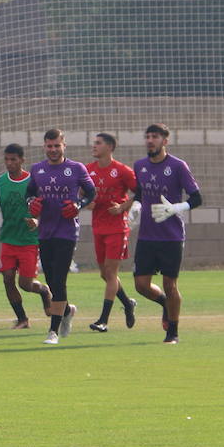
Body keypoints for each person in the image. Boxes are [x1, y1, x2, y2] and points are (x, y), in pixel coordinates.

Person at [132, 123, 203, 344]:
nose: (150, 140)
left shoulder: (178, 166)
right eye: (147, 137)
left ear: (165, 140)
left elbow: (196, 198)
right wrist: (134, 207)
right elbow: (139, 192)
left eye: (155, 137)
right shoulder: (139, 166)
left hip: (171, 236)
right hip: (146, 235)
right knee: (140, 285)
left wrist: (176, 208)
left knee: (170, 284)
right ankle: (164, 303)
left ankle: (173, 332)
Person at [24, 129, 96, 345]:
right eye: (49, 146)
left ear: (64, 146)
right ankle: (67, 311)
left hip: (67, 231)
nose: (53, 150)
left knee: (59, 279)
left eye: (57, 146)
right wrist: (30, 203)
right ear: (44, 147)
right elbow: (29, 194)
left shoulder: (76, 169)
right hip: (45, 231)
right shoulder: (37, 169)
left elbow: (91, 193)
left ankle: (53, 331)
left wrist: (78, 205)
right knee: (50, 279)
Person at [0, 143, 53, 330]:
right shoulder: (0, 181)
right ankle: (22, 319)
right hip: (8, 239)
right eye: (7, 159)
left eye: (13, 159)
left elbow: (45, 210)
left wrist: (37, 222)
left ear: (22, 160)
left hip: (28, 241)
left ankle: (43, 291)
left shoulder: (33, 182)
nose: (9, 163)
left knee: (25, 284)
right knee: (7, 278)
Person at [86, 133, 138, 333]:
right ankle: (127, 303)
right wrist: (85, 203)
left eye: (98, 143)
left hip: (117, 228)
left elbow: (139, 191)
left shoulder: (122, 171)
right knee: (104, 274)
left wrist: (123, 206)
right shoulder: (88, 170)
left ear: (109, 147)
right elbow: (82, 194)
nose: (94, 146)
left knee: (111, 272)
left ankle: (103, 320)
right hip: (98, 227)